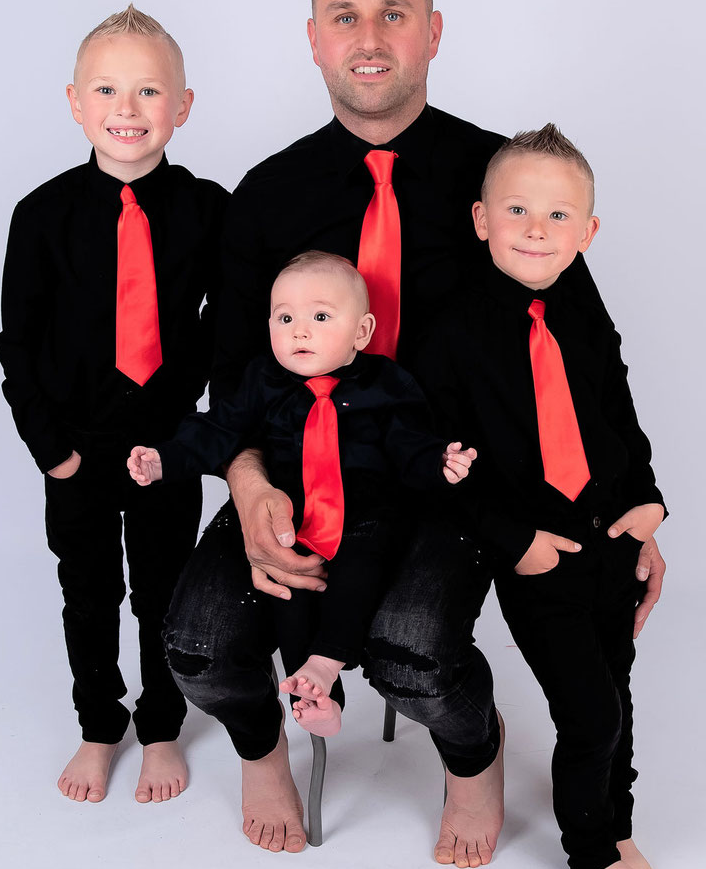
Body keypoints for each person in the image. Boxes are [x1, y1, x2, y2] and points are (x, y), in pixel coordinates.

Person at [165, 0, 665, 863]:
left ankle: (472, 757)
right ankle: (261, 747)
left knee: (412, 651)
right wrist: (248, 486)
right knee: (193, 642)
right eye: (344, 15)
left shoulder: (504, 182)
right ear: (312, 36)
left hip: (450, 483)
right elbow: (228, 371)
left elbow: (587, 363)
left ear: (433, 32)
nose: (369, 36)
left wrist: (631, 515)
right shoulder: (267, 194)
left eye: (393, 14)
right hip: (297, 471)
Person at [415, 124, 666, 869]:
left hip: (609, 535)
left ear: (587, 233)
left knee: (616, 688)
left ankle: (617, 821)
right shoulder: (451, 330)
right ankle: (589, 847)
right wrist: (513, 541)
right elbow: (444, 464)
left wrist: (647, 497)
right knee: (587, 709)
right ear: (481, 217)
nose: (535, 228)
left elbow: (614, 408)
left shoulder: (582, 310)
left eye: (558, 217)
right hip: (537, 552)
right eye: (516, 209)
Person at [0, 6, 227, 804]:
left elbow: (219, 326)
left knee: (164, 587)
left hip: (165, 443)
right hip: (77, 447)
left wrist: (177, 428)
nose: (127, 110)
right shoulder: (42, 215)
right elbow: (16, 345)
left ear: (183, 106)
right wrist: (51, 449)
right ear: (75, 102)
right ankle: (100, 723)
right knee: (89, 590)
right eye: (107, 90)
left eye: (149, 90)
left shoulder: (206, 210)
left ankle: (160, 726)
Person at [127, 251, 476, 741]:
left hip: (369, 516)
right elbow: (217, 429)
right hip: (294, 518)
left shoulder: (387, 383)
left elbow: (408, 443)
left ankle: (327, 664)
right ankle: (314, 697)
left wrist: (439, 462)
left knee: (359, 571)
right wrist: (165, 460)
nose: (299, 331)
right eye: (285, 317)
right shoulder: (262, 381)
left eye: (320, 316)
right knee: (288, 593)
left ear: (361, 331)